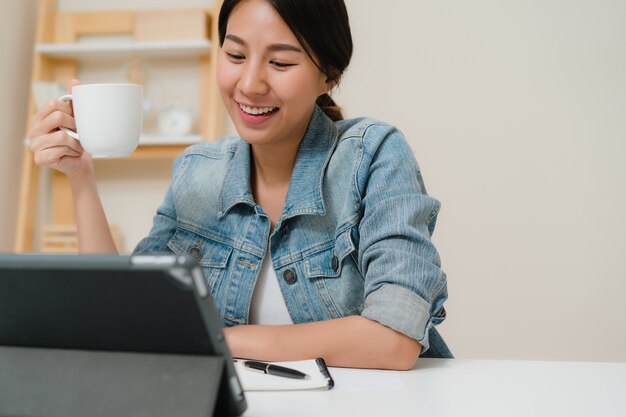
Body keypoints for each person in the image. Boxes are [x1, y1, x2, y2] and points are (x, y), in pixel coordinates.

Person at [27, 0, 451, 369]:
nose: (250, 84)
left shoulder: (373, 154)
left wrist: (219, 341)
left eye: (280, 62)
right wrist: (80, 176)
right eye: (234, 55)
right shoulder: (197, 171)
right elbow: (122, 314)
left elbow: (394, 339)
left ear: (329, 75)